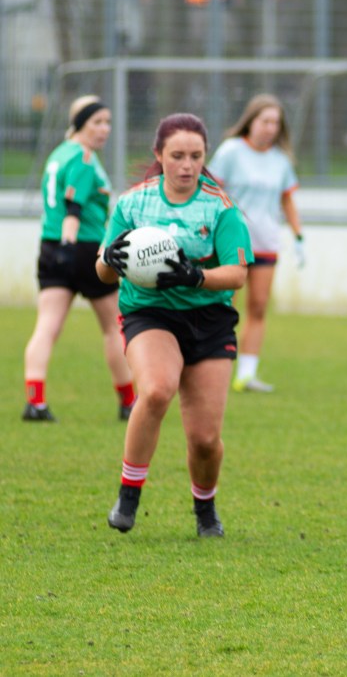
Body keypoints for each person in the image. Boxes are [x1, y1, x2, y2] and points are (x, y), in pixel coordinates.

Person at [96, 113, 253, 537]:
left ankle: (205, 509)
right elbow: (102, 271)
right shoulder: (133, 204)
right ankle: (128, 496)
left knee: (204, 439)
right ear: (159, 155)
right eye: (177, 156)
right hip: (150, 312)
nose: (187, 165)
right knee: (157, 389)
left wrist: (195, 277)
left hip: (209, 320)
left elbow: (237, 274)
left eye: (196, 156)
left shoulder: (221, 208)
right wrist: (110, 259)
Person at [22, 95, 136, 422]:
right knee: (114, 327)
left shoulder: (58, 153)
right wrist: (71, 244)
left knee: (46, 326)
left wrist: (61, 248)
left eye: (108, 122)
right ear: (80, 123)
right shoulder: (84, 158)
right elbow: (74, 208)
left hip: (50, 246)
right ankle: (128, 402)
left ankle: (35, 402)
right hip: (83, 248)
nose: (105, 129)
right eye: (97, 122)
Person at [208, 94, 304, 394]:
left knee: (259, 307)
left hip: (265, 243)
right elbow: (211, 191)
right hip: (231, 245)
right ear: (250, 121)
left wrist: (299, 236)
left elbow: (287, 199)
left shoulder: (280, 161)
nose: (270, 128)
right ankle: (214, 367)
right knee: (226, 306)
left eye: (276, 123)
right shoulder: (230, 151)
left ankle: (246, 375)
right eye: (265, 121)